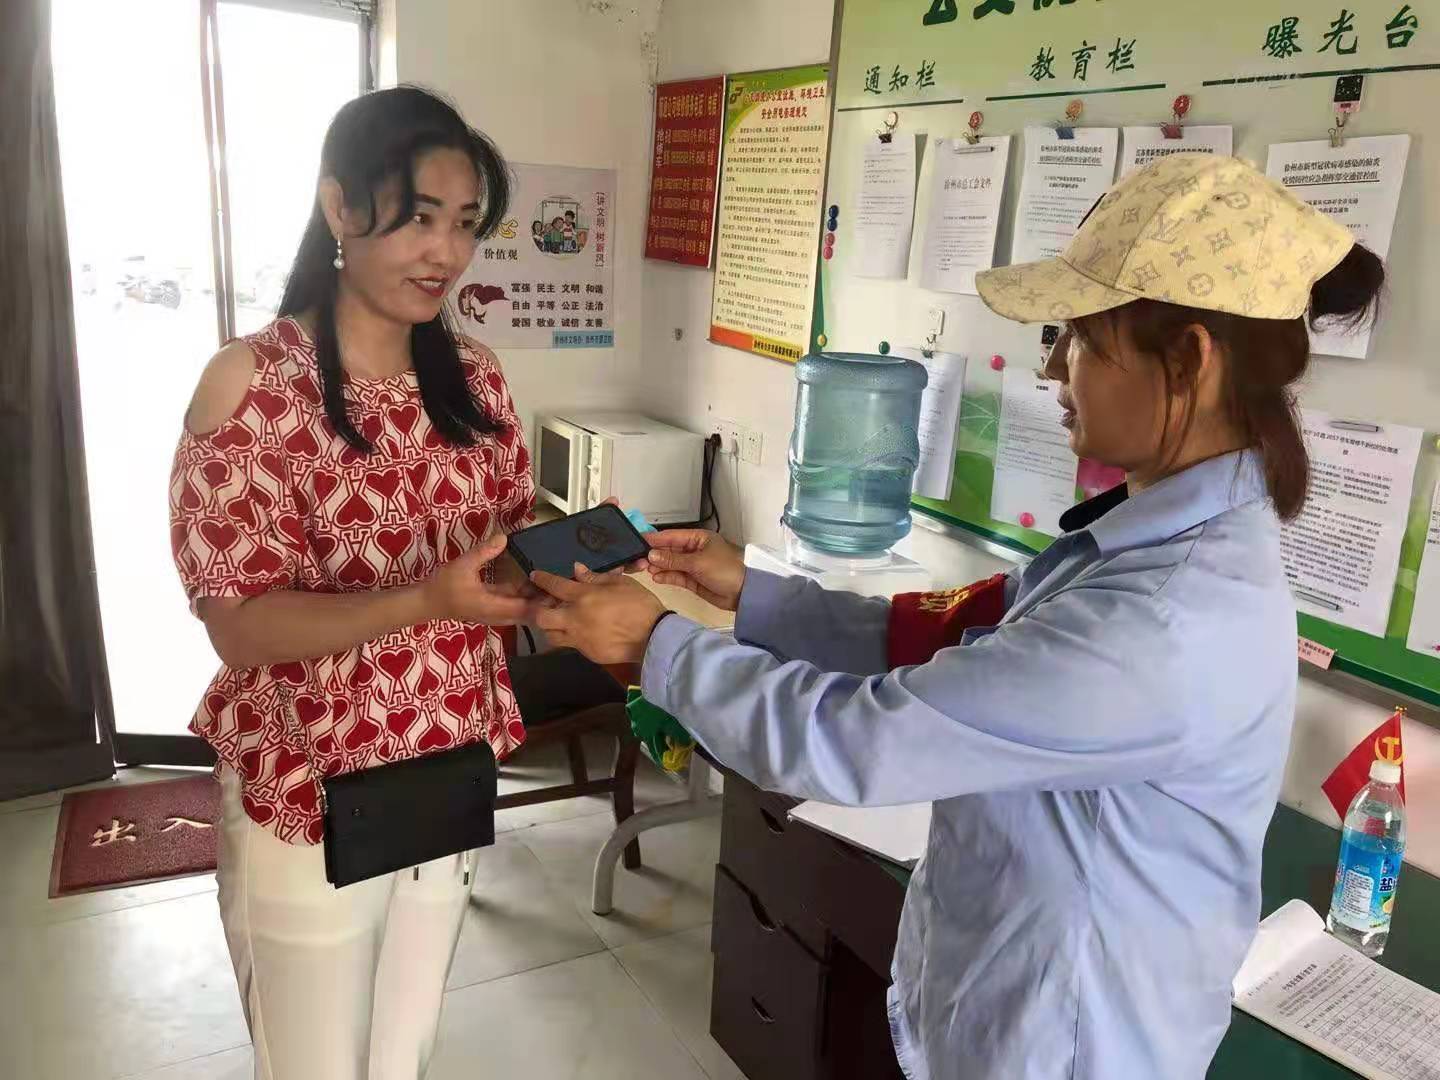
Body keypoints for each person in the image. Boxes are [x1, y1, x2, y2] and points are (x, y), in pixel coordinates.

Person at [528, 154, 1386, 1079]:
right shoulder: (1138, 545)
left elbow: (852, 739)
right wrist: (753, 590)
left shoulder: (1164, 620)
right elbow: (952, 637)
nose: (1052, 367)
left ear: (1189, 360)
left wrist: (654, 643)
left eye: (1080, 338)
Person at [169, 87, 537, 1080]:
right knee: (316, 1066)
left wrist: (562, 562)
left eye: (465, 223)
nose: (446, 252)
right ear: (339, 208)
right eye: (419, 217)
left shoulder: (476, 379)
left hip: (444, 763)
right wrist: (425, 601)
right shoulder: (253, 384)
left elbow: (503, 537)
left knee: (402, 1057)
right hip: (309, 789)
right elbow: (239, 627)